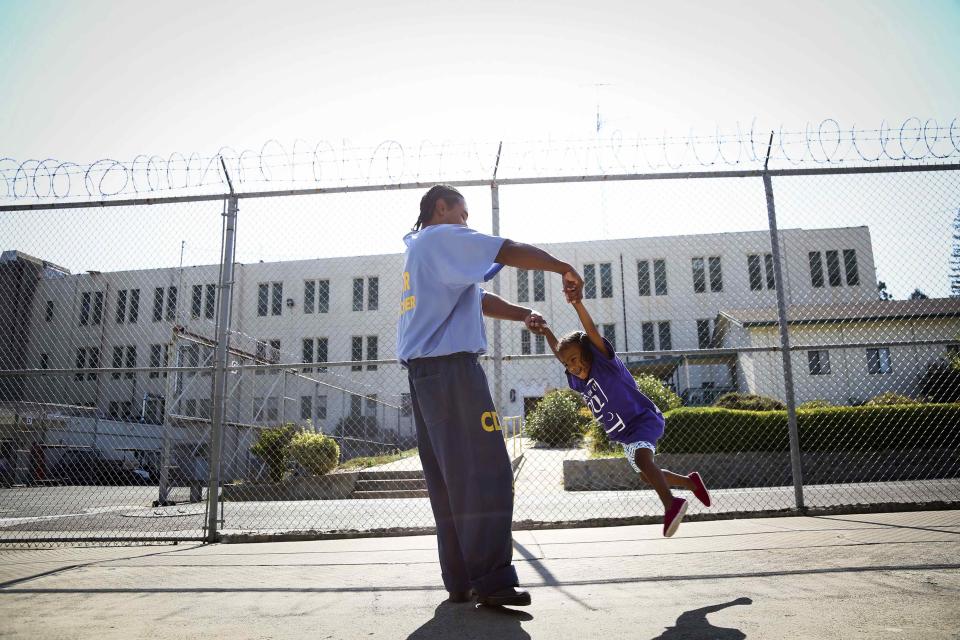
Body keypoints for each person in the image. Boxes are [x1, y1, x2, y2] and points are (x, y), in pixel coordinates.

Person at [397, 184, 583, 607]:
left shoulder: (419, 250)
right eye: (462, 213)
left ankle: (462, 579)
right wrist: (562, 266)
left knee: (450, 481)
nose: (466, 222)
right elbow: (505, 248)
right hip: (452, 374)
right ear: (440, 208)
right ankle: (494, 581)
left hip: (426, 377)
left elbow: (475, 298)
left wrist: (522, 314)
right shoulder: (442, 236)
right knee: (487, 473)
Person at [538, 299, 712, 537]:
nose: (571, 366)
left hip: (643, 419)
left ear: (588, 353)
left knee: (643, 460)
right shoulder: (578, 380)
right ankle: (691, 483)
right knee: (645, 474)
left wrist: (577, 303)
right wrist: (546, 330)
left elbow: (591, 331)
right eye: (567, 364)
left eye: (575, 359)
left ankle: (672, 504)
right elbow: (561, 353)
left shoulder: (605, 364)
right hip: (626, 436)